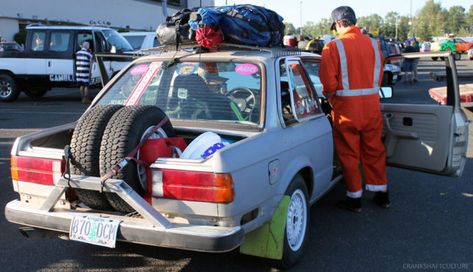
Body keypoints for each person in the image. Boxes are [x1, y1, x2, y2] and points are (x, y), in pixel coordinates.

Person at [320, 6, 389, 212]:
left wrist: (332, 99)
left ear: (339, 23)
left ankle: (354, 197)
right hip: (371, 108)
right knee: (374, 150)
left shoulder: (332, 47)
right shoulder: (374, 44)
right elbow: (378, 75)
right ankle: (382, 194)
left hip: (346, 111)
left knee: (349, 153)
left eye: (335, 27)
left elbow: (328, 84)